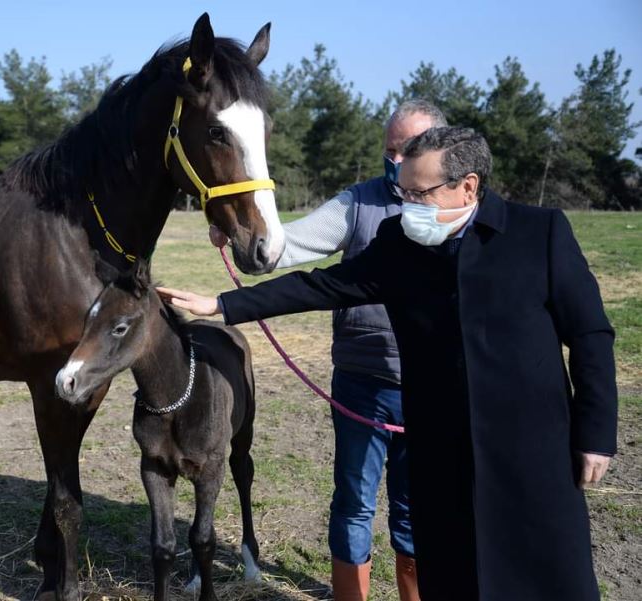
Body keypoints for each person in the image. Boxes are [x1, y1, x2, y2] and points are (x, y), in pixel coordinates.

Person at [160, 126, 617, 601]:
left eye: (420, 193)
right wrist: (222, 305)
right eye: (404, 192)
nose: (409, 204)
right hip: (441, 451)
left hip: (534, 453)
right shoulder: (400, 243)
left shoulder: (539, 233)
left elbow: (591, 336)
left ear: (468, 186)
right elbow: (323, 286)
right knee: (452, 571)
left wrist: (596, 436)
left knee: (544, 574)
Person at [210, 99, 446, 601]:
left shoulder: (459, 209)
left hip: (437, 385)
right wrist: (235, 231)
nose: (397, 160)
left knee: (419, 508)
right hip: (362, 383)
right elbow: (283, 247)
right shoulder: (358, 204)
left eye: (409, 150)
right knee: (355, 504)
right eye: (390, 150)